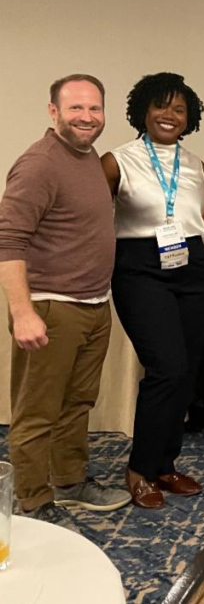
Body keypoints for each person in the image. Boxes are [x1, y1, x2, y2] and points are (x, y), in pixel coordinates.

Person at [0, 74, 131, 526]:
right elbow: (8, 240)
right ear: (53, 111)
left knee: (77, 403)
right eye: (76, 109)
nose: (87, 118)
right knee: (37, 411)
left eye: (95, 109)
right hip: (50, 307)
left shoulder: (87, 154)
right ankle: (33, 502)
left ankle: (69, 482)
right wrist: (22, 313)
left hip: (94, 303)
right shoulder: (39, 163)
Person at [100, 72, 204, 509]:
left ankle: (165, 464)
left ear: (190, 119)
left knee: (186, 369)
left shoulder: (195, 164)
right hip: (140, 268)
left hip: (192, 264)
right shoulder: (118, 160)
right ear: (142, 111)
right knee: (166, 367)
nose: (169, 115)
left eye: (179, 109)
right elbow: (92, 217)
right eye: (161, 106)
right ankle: (140, 468)